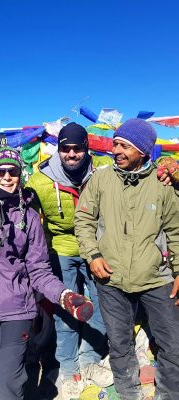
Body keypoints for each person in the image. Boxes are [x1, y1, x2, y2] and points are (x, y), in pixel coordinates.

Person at [0, 146, 94, 400]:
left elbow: (39, 270)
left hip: (17, 310)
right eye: (0, 172)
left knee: (10, 384)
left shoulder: (29, 218)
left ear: (21, 176)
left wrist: (64, 295)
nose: (7, 177)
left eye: (13, 171)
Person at [75, 118, 179, 400]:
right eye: (115, 144)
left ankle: (169, 394)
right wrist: (93, 254)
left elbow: (175, 229)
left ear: (143, 151)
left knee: (172, 342)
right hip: (111, 278)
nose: (116, 150)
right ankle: (128, 393)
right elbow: (83, 219)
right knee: (119, 343)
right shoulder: (101, 179)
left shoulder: (163, 184)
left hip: (156, 278)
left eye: (124, 146)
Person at [26, 122, 113, 398]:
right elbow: (21, 210)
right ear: (59, 148)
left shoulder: (102, 171)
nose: (71, 154)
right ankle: (68, 367)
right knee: (67, 307)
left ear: (86, 148)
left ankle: (90, 360)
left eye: (77, 148)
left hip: (96, 249)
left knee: (99, 306)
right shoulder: (40, 179)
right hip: (61, 249)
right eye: (66, 148)